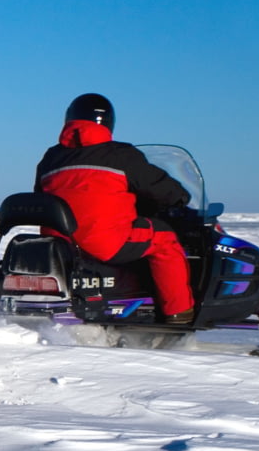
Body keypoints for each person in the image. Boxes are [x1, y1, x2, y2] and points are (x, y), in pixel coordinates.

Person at [34, 93, 195, 324]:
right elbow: (161, 188)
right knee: (164, 239)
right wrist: (180, 198)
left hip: (60, 245)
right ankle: (178, 312)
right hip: (104, 242)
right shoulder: (122, 155)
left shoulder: (50, 158)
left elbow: (40, 195)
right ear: (109, 122)